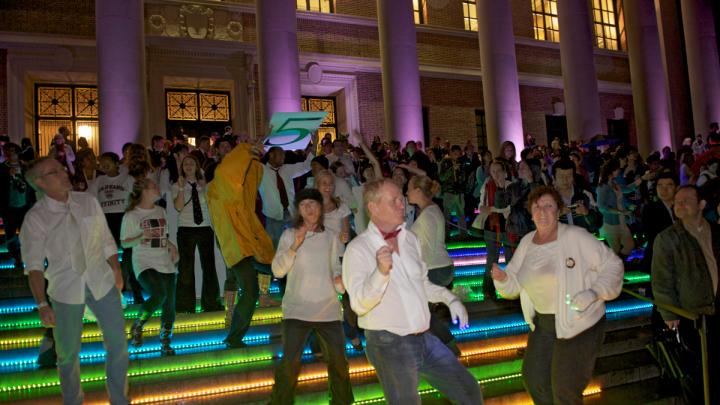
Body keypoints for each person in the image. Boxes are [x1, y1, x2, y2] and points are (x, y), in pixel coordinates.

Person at [343, 179, 482, 405]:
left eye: (402, 198)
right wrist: (380, 273)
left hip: (423, 337)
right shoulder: (358, 249)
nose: (402, 204)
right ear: (373, 208)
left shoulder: (410, 240)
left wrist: (450, 298)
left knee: (468, 390)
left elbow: (422, 284)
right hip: (388, 342)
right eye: (394, 201)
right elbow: (358, 304)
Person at [491, 185, 624, 405]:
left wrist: (594, 292)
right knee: (535, 380)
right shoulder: (526, 243)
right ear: (530, 213)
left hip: (579, 323)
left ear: (559, 211)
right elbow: (513, 284)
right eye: (536, 207)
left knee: (564, 388)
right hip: (544, 323)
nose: (542, 212)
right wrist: (503, 280)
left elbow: (613, 265)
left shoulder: (575, 237)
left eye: (548, 206)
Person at [20, 157, 129, 405]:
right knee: (68, 354)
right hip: (65, 288)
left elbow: (106, 240)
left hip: (101, 281)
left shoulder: (88, 202)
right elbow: (34, 266)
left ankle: (120, 399)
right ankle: (73, 401)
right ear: (40, 182)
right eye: (54, 172)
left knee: (118, 344)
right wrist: (42, 304)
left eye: (61, 168)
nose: (63, 172)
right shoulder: (36, 218)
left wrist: (117, 271)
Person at [268, 188, 353, 404]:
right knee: (289, 364)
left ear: (320, 208)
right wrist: (295, 245)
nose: (309, 208)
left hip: (328, 311)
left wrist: (338, 280)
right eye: (304, 204)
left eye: (313, 204)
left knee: (339, 364)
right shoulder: (289, 235)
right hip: (297, 310)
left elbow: (335, 267)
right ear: (298, 210)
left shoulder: (331, 237)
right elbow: (278, 271)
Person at [651, 185, 719, 403]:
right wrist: (670, 313)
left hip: (715, 311)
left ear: (701, 204)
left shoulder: (715, 232)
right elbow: (661, 279)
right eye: (677, 202)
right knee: (695, 376)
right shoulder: (668, 238)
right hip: (692, 317)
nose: (679, 205)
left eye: (686, 200)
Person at [207, 139, 275, 346]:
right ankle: (234, 337)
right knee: (250, 288)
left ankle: (234, 336)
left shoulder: (237, 196)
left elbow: (247, 173)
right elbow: (228, 171)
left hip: (246, 246)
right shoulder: (219, 188)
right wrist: (246, 150)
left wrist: (251, 154)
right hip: (236, 247)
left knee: (278, 271)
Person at [121, 178, 179, 356]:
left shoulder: (161, 210)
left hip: (164, 261)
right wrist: (141, 236)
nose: (158, 187)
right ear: (144, 191)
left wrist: (171, 246)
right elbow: (124, 243)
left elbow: (163, 236)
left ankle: (165, 340)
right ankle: (138, 324)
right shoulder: (131, 215)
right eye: (154, 186)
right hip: (144, 261)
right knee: (159, 294)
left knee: (170, 304)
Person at [407, 175, 461, 355]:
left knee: (422, 312)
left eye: (409, 188)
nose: (406, 192)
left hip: (435, 269)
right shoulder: (429, 210)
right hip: (438, 268)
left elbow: (427, 249)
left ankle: (449, 346)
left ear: (418, 191)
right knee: (421, 312)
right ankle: (442, 347)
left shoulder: (429, 213)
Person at [172, 155, 222, 313]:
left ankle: (212, 304)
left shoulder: (204, 184)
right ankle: (185, 306)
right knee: (186, 267)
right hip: (186, 228)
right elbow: (178, 207)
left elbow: (213, 203)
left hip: (205, 227)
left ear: (197, 166)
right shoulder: (177, 185)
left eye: (191, 163)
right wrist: (181, 187)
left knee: (209, 266)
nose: (188, 166)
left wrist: (205, 186)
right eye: (185, 163)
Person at [597, 158, 635, 257]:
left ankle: (618, 266)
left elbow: (627, 189)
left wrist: (642, 179)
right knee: (616, 251)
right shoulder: (603, 187)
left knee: (629, 245)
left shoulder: (614, 184)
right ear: (611, 170)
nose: (619, 171)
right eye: (617, 169)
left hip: (621, 221)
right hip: (611, 223)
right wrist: (620, 212)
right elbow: (601, 206)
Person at [640, 171, 676, 273]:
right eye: (660, 185)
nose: (664, 189)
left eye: (669, 185)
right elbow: (650, 235)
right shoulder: (650, 209)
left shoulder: (683, 208)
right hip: (660, 258)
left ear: (677, 187)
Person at [551, 159, 600, 234]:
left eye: (569, 175)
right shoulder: (548, 200)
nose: (565, 180)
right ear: (554, 178)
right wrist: (556, 215)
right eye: (561, 176)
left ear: (573, 177)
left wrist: (587, 214)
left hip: (583, 241)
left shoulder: (585, 195)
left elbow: (597, 224)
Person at [438, 145, 468, 233]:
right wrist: (452, 169)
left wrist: (461, 172)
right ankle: (445, 234)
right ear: (451, 153)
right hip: (449, 191)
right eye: (455, 154)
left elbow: (463, 178)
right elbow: (442, 177)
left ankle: (463, 233)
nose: (457, 156)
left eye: (459, 154)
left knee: (461, 214)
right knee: (447, 214)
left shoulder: (461, 163)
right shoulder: (445, 162)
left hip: (459, 192)